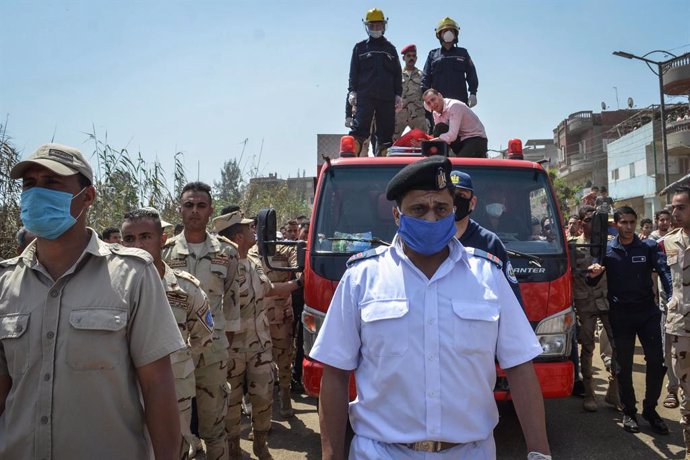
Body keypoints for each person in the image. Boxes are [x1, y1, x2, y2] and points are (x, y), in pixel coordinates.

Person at [313, 156, 550, 459]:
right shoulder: (362, 278)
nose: (431, 219)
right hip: (381, 452)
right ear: (398, 216)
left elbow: (519, 367)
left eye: (441, 209)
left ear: (454, 214)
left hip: (470, 452)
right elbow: (334, 374)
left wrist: (540, 454)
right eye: (418, 209)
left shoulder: (488, 276)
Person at [0, 143, 184, 458]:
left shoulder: (132, 275)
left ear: (87, 197)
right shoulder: (5, 282)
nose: (36, 193)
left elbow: (157, 386)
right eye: (29, 185)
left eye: (52, 183)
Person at [122, 207, 215, 459]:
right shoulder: (110, 288)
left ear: (162, 239)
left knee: (176, 449)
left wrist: (178, 360)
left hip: (175, 390)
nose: (137, 245)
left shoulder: (185, 288)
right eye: (129, 239)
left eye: (145, 237)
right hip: (124, 393)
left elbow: (203, 335)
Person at [214, 210, 301, 460]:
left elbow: (269, 289)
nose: (254, 230)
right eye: (247, 228)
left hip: (260, 347)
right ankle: (232, 449)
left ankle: (260, 445)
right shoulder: (220, 269)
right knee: (231, 404)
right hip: (233, 349)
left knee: (263, 399)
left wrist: (298, 284)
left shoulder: (253, 263)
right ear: (237, 236)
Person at [163, 181, 240, 460]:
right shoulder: (165, 252)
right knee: (177, 427)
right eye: (188, 205)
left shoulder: (228, 252)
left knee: (214, 428)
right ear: (180, 209)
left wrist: (223, 346)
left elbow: (232, 303)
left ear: (210, 211)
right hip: (175, 351)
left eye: (201, 205)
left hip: (213, 352)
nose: (194, 211)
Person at [587, 205, 672, 434]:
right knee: (623, 366)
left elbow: (663, 271)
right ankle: (629, 412)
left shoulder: (648, 246)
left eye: (631, 222)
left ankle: (650, 410)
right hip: (621, 314)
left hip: (647, 312)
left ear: (636, 223)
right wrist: (593, 275)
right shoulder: (607, 249)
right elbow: (592, 279)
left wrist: (672, 295)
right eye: (623, 222)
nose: (627, 227)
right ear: (616, 224)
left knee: (658, 362)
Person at [450, 170, 523, 306]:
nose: (455, 201)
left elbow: (512, 301)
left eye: (461, 195)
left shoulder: (490, 242)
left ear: (472, 202)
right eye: (451, 195)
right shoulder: (432, 240)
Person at [571, 206, 618, 412]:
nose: (593, 224)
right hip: (584, 303)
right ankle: (590, 393)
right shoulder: (573, 246)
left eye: (597, 220)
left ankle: (614, 390)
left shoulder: (609, 245)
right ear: (581, 223)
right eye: (589, 220)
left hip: (607, 301)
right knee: (587, 347)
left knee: (618, 345)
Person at [248, 234, 299, 418]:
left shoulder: (285, 250)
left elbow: (299, 266)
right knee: (260, 365)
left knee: (284, 359)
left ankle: (285, 395)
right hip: (257, 317)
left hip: (280, 317)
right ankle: (261, 411)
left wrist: (299, 278)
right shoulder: (251, 252)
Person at [347, 8, 402, 156]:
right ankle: (351, 157)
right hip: (365, 96)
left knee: (386, 133)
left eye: (379, 25)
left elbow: (397, 73)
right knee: (359, 130)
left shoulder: (391, 49)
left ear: (384, 26)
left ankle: (383, 157)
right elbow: (354, 72)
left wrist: (398, 94)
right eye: (372, 26)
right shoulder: (359, 48)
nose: (376, 29)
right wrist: (352, 91)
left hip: (387, 97)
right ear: (367, 27)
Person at [663, 185, 690, 457]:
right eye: (673, 207)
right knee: (686, 392)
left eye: (681, 207)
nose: (675, 212)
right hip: (680, 329)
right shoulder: (668, 242)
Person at [421, 17, 478, 107]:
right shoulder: (433, 55)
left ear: (455, 34)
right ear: (439, 35)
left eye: (451, 30)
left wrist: (473, 93)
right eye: (445, 31)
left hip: (459, 102)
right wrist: (426, 97)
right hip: (438, 105)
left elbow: (472, 73)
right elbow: (425, 78)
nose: (448, 33)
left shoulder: (463, 53)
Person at [423, 89, 488, 157]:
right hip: (460, 140)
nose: (432, 104)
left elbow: (452, 135)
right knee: (439, 128)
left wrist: (430, 141)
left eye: (433, 99)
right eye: (429, 103)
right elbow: (439, 134)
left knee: (460, 165)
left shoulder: (454, 106)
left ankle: (480, 155)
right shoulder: (435, 113)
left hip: (476, 139)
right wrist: (424, 141)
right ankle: (440, 161)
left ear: (440, 96)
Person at [394, 44, 427, 140]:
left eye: (413, 56)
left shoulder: (422, 75)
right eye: (408, 56)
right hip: (400, 114)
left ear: (416, 58)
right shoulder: (397, 75)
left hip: (418, 114)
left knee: (423, 140)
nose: (411, 58)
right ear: (403, 58)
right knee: (391, 141)